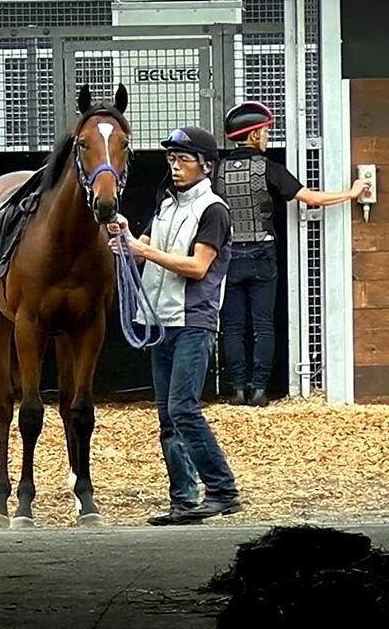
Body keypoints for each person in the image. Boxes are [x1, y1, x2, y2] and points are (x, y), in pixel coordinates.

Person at [106, 125, 242, 526]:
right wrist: (127, 237)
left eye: (183, 159)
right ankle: (184, 500)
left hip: (193, 320)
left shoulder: (213, 210)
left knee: (183, 409)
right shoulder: (166, 206)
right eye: (171, 159)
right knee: (168, 416)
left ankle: (222, 489)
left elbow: (198, 267)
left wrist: (143, 248)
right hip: (161, 319)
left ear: (205, 164)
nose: (175, 166)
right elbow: (143, 248)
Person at [216, 101, 370, 407]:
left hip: (229, 255)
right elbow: (310, 198)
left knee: (232, 326)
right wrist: (350, 193)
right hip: (262, 253)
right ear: (255, 134)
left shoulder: (216, 170)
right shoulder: (269, 168)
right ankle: (259, 390)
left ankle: (236, 390)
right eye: (266, 131)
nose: (268, 136)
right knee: (262, 325)